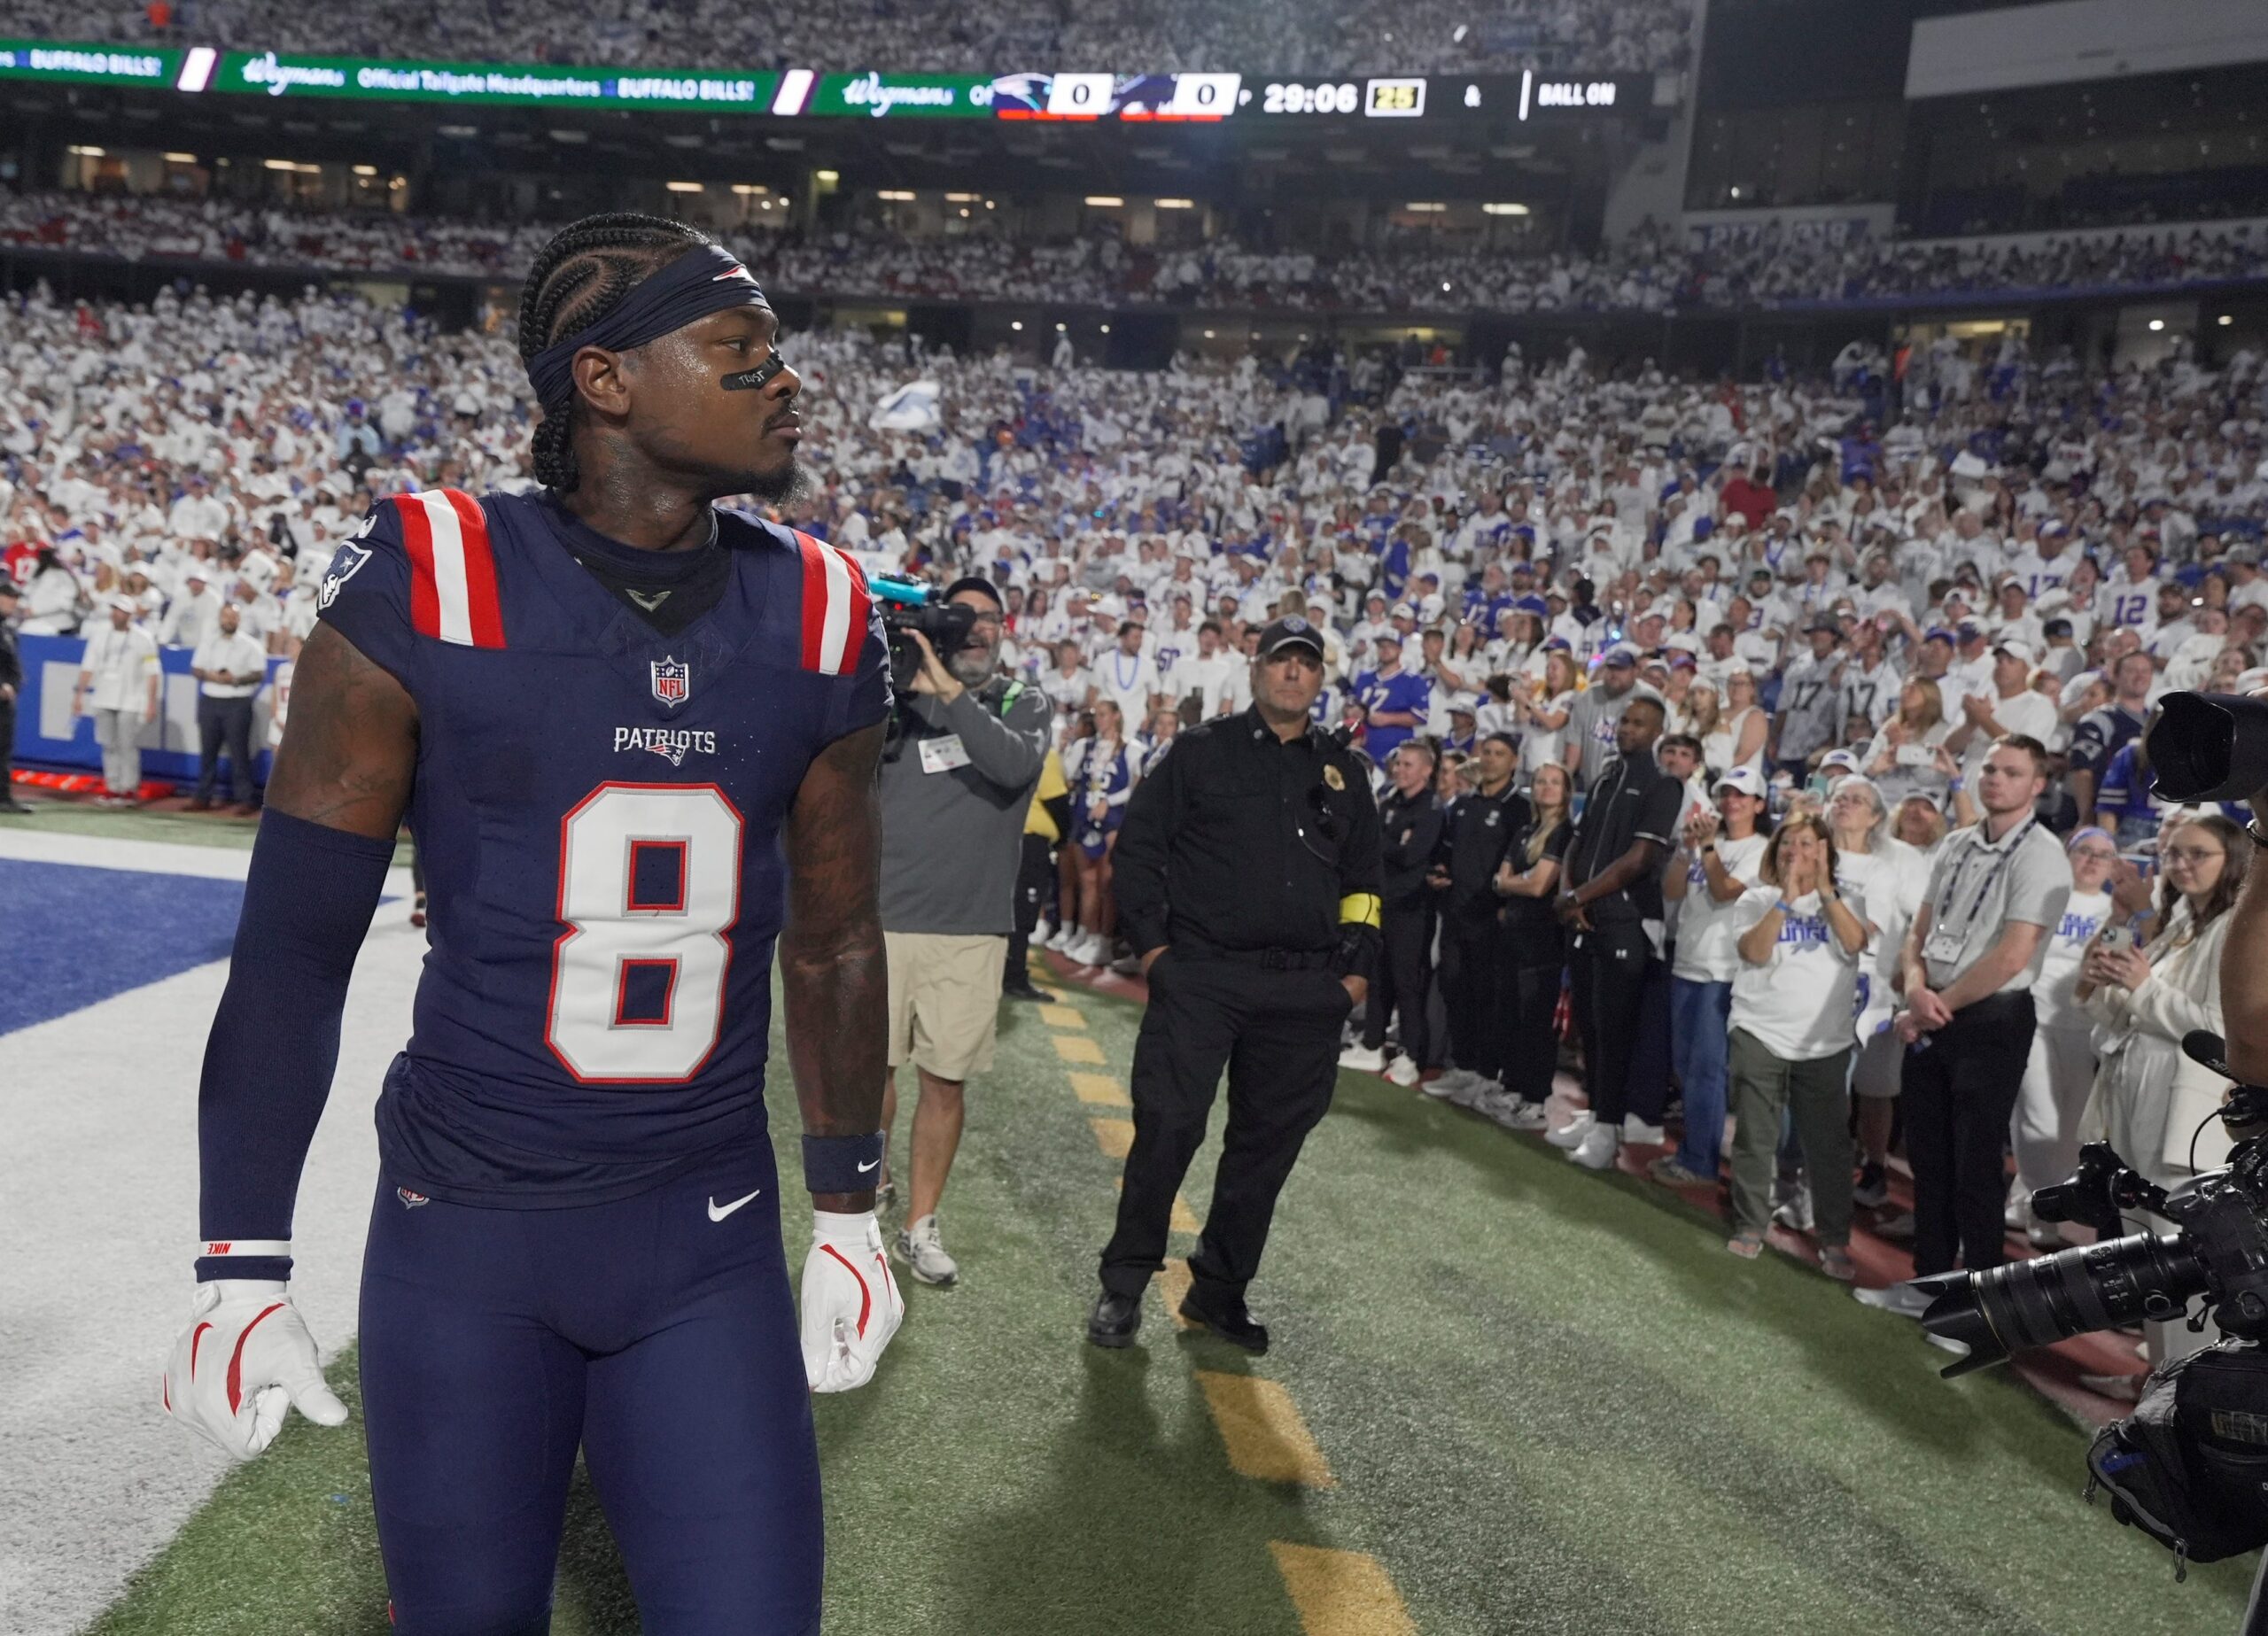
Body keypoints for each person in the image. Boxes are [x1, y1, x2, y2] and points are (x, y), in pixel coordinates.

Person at [163, 214, 903, 1632]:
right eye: (740, 348)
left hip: (706, 1229)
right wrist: (239, 1254)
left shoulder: (818, 605)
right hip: (466, 1235)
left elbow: (835, 936)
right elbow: (298, 944)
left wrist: (852, 1208)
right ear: (606, 379)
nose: (786, 378)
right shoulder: (431, 573)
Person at [1091, 616, 1382, 1354]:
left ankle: (1219, 1290)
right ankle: (1124, 1282)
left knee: (1265, 1151)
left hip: (1303, 990)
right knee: (1167, 1129)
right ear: (1256, 670)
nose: (1293, 672)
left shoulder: (1345, 772)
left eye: (1306, 663)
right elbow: (1139, 851)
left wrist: (1353, 976)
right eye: (1282, 660)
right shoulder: (1200, 751)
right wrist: (1155, 952)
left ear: (1320, 679)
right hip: (1202, 975)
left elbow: (1365, 884)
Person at [876, 571, 1050, 1283]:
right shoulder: (893, 692)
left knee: (945, 1082)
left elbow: (1012, 764)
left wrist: (945, 690)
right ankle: (871, 1186)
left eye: (989, 618)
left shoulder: (1020, 700)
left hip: (972, 929)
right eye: (961, 616)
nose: (976, 629)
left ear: (1005, 631)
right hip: (884, 916)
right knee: (872, 1073)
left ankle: (920, 1224)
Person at [1868, 735, 2073, 1318]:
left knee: (1976, 1166)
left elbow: (2013, 955)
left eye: (2012, 772)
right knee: (1930, 1159)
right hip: (1935, 1006)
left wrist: (1932, 1004)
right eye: (1990, 770)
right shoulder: (1956, 842)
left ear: (2038, 784)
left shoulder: (2043, 855)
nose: (1995, 779)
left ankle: (1982, 1308)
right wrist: (1915, 988)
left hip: (1990, 1018)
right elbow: (1919, 931)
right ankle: (1929, 1285)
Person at [2076, 812, 2247, 1379]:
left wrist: (2142, 986)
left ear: (2233, 860)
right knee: (2146, 1256)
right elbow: (2122, 1003)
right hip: (2136, 1098)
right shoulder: (2180, 921)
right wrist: (2112, 968)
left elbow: (2218, 1029)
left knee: (2179, 1260)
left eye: (2197, 853)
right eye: (2173, 853)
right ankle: (2157, 1380)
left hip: (2182, 1116)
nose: (2180, 864)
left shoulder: (2235, 929)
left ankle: (2184, 1392)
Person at [1723, 813, 1868, 1276]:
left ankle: (1834, 1238)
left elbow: (1854, 942)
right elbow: (1754, 951)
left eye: (1808, 844)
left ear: (1825, 852)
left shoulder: (1849, 900)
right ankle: (1750, 1223)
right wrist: (1785, 899)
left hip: (1824, 1043)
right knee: (1755, 1136)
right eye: (1788, 843)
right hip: (1759, 1032)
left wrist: (1823, 891)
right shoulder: (1755, 898)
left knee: (1829, 1147)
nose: (1795, 852)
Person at [1550, 693, 1682, 1171]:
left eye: (1639, 723)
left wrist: (1577, 897)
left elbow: (1640, 859)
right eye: (1624, 721)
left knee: (1616, 1028)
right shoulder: (1606, 776)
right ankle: (1596, 1117)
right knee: (1588, 1024)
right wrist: (1569, 895)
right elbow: (1578, 841)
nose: (1627, 729)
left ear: (1657, 732)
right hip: (1585, 915)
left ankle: (1609, 1130)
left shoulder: (1664, 785)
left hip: (1625, 919)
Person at [1651, 765, 1769, 1188]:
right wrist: (1687, 850)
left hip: (1724, 969)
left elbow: (1724, 891)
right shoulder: (1709, 844)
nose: (1731, 802)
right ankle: (1695, 1150)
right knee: (1686, 1065)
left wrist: (1705, 847)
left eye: (1741, 795)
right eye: (1726, 794)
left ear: (1759, 805)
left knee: (1706, 1068)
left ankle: (1700, 1160)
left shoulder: (1762, 850)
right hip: (1689, 960)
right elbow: (1672, 890)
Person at [2008, 828, 2116, 1245]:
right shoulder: (2048, 896)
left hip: (2084, 1030)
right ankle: (2043, 1210)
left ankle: (2022, 1198)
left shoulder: (2114, 910)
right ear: (2068, 854)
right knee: (2039, 1119)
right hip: (2034, 1017)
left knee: (2071, 1132)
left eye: (2103, 854)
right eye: (2085, 850)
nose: (2092, 860)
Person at [1427, 732, 1526, 1105]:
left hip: (1491, 918)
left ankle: (1487, 1072)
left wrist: (1504, 906)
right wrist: (1440, 872)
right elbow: (1448, 852)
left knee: (1488, 996)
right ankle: (1464, 1065)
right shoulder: (1464, 804)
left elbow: (1520, 862)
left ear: (1514, 761)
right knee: (1455, 988)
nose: (1491, 759)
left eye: (1499, 753)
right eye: (1486, 752)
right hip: (1456, 912)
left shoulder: (1518, 809)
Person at [1342, 740, 1443, 1086]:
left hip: (1412, 908)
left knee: (1407, 983)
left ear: (1427, 770)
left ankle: (1411, 1056)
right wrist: (1393, 843)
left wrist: (1386, 843)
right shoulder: (1390, 802)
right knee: (1378, 976)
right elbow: (1373, 846)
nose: (1399, 770)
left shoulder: (1431, 808)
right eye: (1398, 764)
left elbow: (1412, 855)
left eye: (1408, 764)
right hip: (1383, 903)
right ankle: (1372, 1045)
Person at [1486, 760, 1573, 1128]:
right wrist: (1514, 882)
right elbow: (1501, 878)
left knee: (1536, 1019)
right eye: (1540, 781)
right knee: (1510, 1012)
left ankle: (1536, 1099)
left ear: (1566, 792)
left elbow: (1539, 886)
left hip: (1543, 939)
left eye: (1554, 782)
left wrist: (1511, 884)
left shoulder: (1564, 832)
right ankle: (1513, 1085)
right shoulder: (1526, 830)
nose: (1546, 787)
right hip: (1514, 933)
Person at [1060, 698, 1135, 968]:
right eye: (1096, 715)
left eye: (1104, 714)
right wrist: (1067, 746)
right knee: (1087, 881)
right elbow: (1068, 774)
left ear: (1116, 716)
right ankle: (1090, 936)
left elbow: (1136, 786)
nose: (1099, 719)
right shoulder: (1085, 745)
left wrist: (1109, 801)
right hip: (1085, 819)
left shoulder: (1132, 748)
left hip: (1112, 821)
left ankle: (1104, 941)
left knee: (1106, 883)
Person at [73, 595, 159, 806]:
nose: (115, 614)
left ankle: (128, 789)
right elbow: (88, 666)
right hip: (103, 697)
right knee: (108, 745)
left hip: (131, 700)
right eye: (114, 609)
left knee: (127, 746)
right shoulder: (100, 635)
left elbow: (153, 673)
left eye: (120, 610)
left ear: (129, 614)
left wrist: (151, 702)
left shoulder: (143, 638)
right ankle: (113, 787)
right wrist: (79, 695)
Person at [1003, 745, 1070, 1003]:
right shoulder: (1042, 753)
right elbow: (1057, 803)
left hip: (1001, 840)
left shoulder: (998, 746)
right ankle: (1014, 977)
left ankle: (997, 971)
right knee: (1023, 912)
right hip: (1030, 843)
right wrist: (1064, 837)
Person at [188, 601, 268, 813]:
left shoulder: (250, 645)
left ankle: (245, 799)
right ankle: (203, 797)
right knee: (208, 752)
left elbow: (259, 673)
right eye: (225, 616)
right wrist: (211, 676)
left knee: (239, 753)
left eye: (233, 617)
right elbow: (196, 668)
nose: (229, 620)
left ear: (239, 619)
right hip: (210, 699)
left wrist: (235, 680)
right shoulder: (209, 642)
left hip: (237, 702)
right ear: (219, 618)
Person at [0, 578, 27, 813]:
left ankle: (3, 797)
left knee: (4, 748)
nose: (13, 602)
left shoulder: (8, 629)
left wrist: (13, 685)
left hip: (5, 700)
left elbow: (13, 666)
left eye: (15, 598)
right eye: (9, 597)